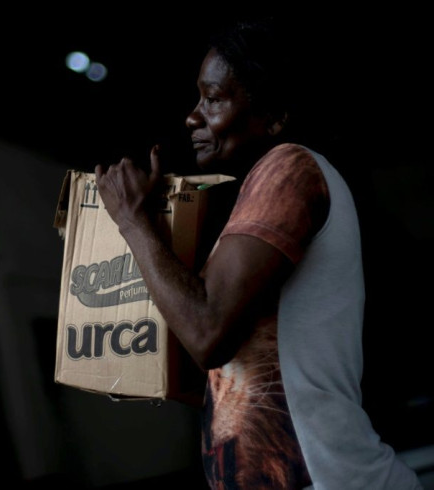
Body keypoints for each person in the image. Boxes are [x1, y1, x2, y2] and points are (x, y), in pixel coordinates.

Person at [94, 18, 423, 490]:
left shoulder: (288, 167)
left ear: (274, 115)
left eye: (212, 99)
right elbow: (228, 374)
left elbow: (208, 333)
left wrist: (132, 221)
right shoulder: (259, 193)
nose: (192, 117)